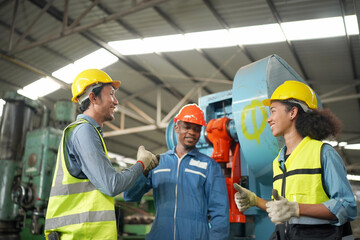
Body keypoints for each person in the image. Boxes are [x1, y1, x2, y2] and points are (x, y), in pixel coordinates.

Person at [234, 80, 358, 239]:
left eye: (273, 111)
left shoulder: (323, 153)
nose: (268, 119)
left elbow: (347, 207)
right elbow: (282, 207)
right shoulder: (278, 161)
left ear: (292, 112)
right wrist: (254, 200)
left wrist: (296, 209)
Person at [44, 69, 159, 240]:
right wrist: (141, 165)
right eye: (111, 94)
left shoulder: (87, 132)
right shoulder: (84, 132)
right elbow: (111, 185)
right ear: (93, 97)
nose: (116, 101)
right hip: (80, 235)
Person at [124, 104, 230, 240]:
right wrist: (142, 171)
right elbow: (130, 196)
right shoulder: (158, 162)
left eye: (197, 129)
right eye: (187, 127)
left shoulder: (209, 166)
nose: (192, 132)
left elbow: (220, 211)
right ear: (176, 128)